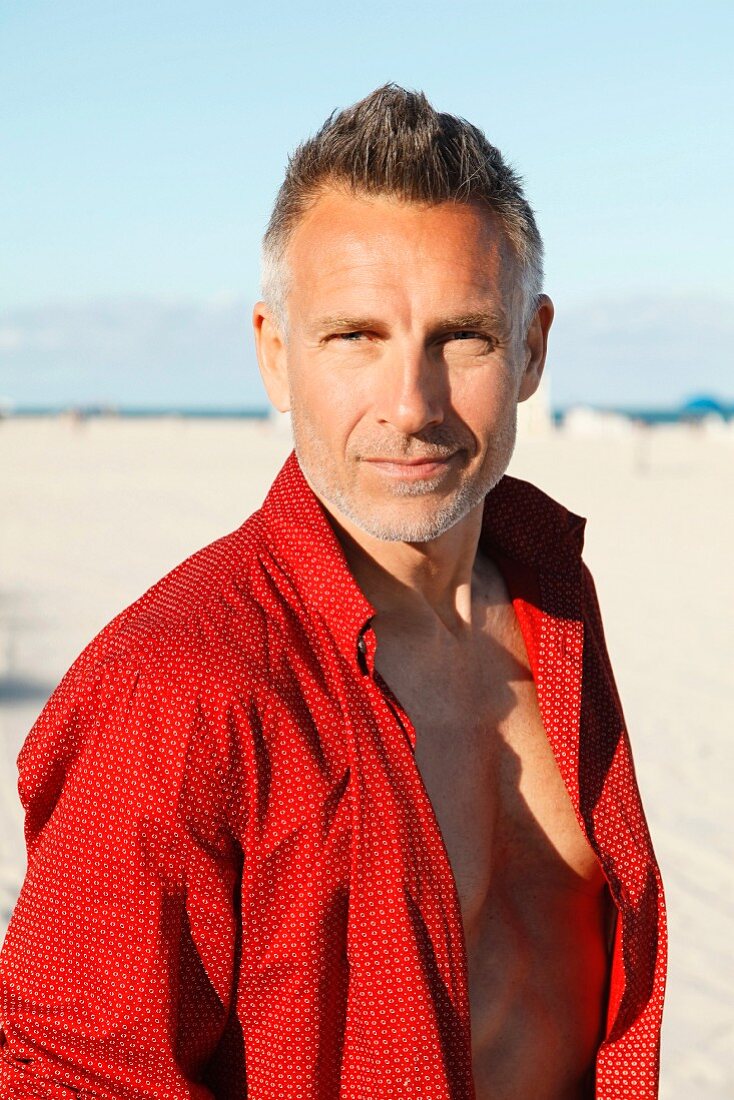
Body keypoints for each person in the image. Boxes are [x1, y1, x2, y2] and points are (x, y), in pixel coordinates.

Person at [0, 84, 666, 1099]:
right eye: (353, 335)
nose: (411, 404)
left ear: (530, 347)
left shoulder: (554, 601)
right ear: (275, 351)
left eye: (462, 336)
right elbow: (71, 1074)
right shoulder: (174, 686)